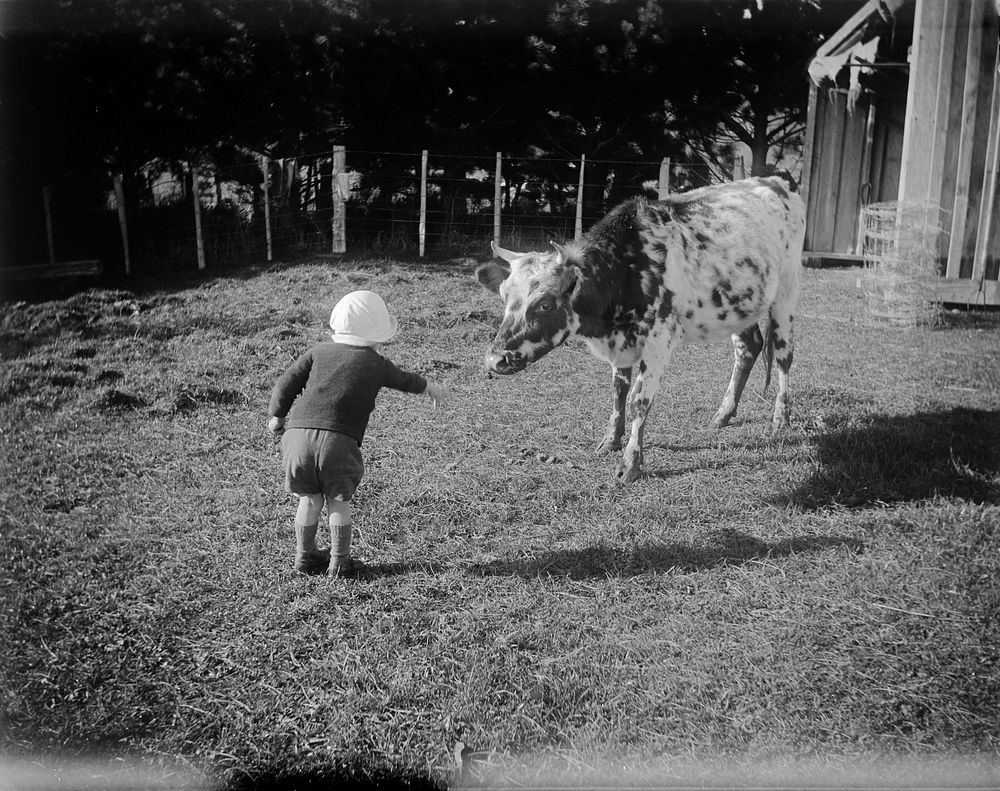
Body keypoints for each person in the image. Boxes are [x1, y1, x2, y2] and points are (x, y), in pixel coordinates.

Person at [267, 290, 448, 577]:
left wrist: (277, 416)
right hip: (338, 441)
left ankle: (305, 557)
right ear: (376, 334)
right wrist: (429, 387)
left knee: (310, 499)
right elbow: (405, 380)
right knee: (338, 500)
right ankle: (339, 562)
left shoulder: (316, 352)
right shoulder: (376, 363)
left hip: (296, 437)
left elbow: (285, 384)